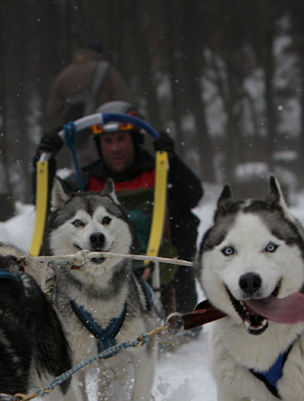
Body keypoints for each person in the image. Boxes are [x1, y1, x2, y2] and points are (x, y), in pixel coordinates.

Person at [35, 101, 204, 318]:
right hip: (95, 266)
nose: (115, 148)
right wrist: (43, 162)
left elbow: (193, 196)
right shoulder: (86, 179)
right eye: (108, 141)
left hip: (159, 261)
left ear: (135, 140)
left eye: (121, 139)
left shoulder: (158, 172)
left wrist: (173, 160)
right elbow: (46, 204)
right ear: (99, 144)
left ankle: (180, 312)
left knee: (181, 217)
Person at [46, 43, 130, 164]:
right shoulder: (106, 70)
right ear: (99, 53)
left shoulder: (64, 75)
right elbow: (123, 100)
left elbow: (53, 109)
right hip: (104, 133)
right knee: (106, 173)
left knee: (81, 176)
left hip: (76, 136)